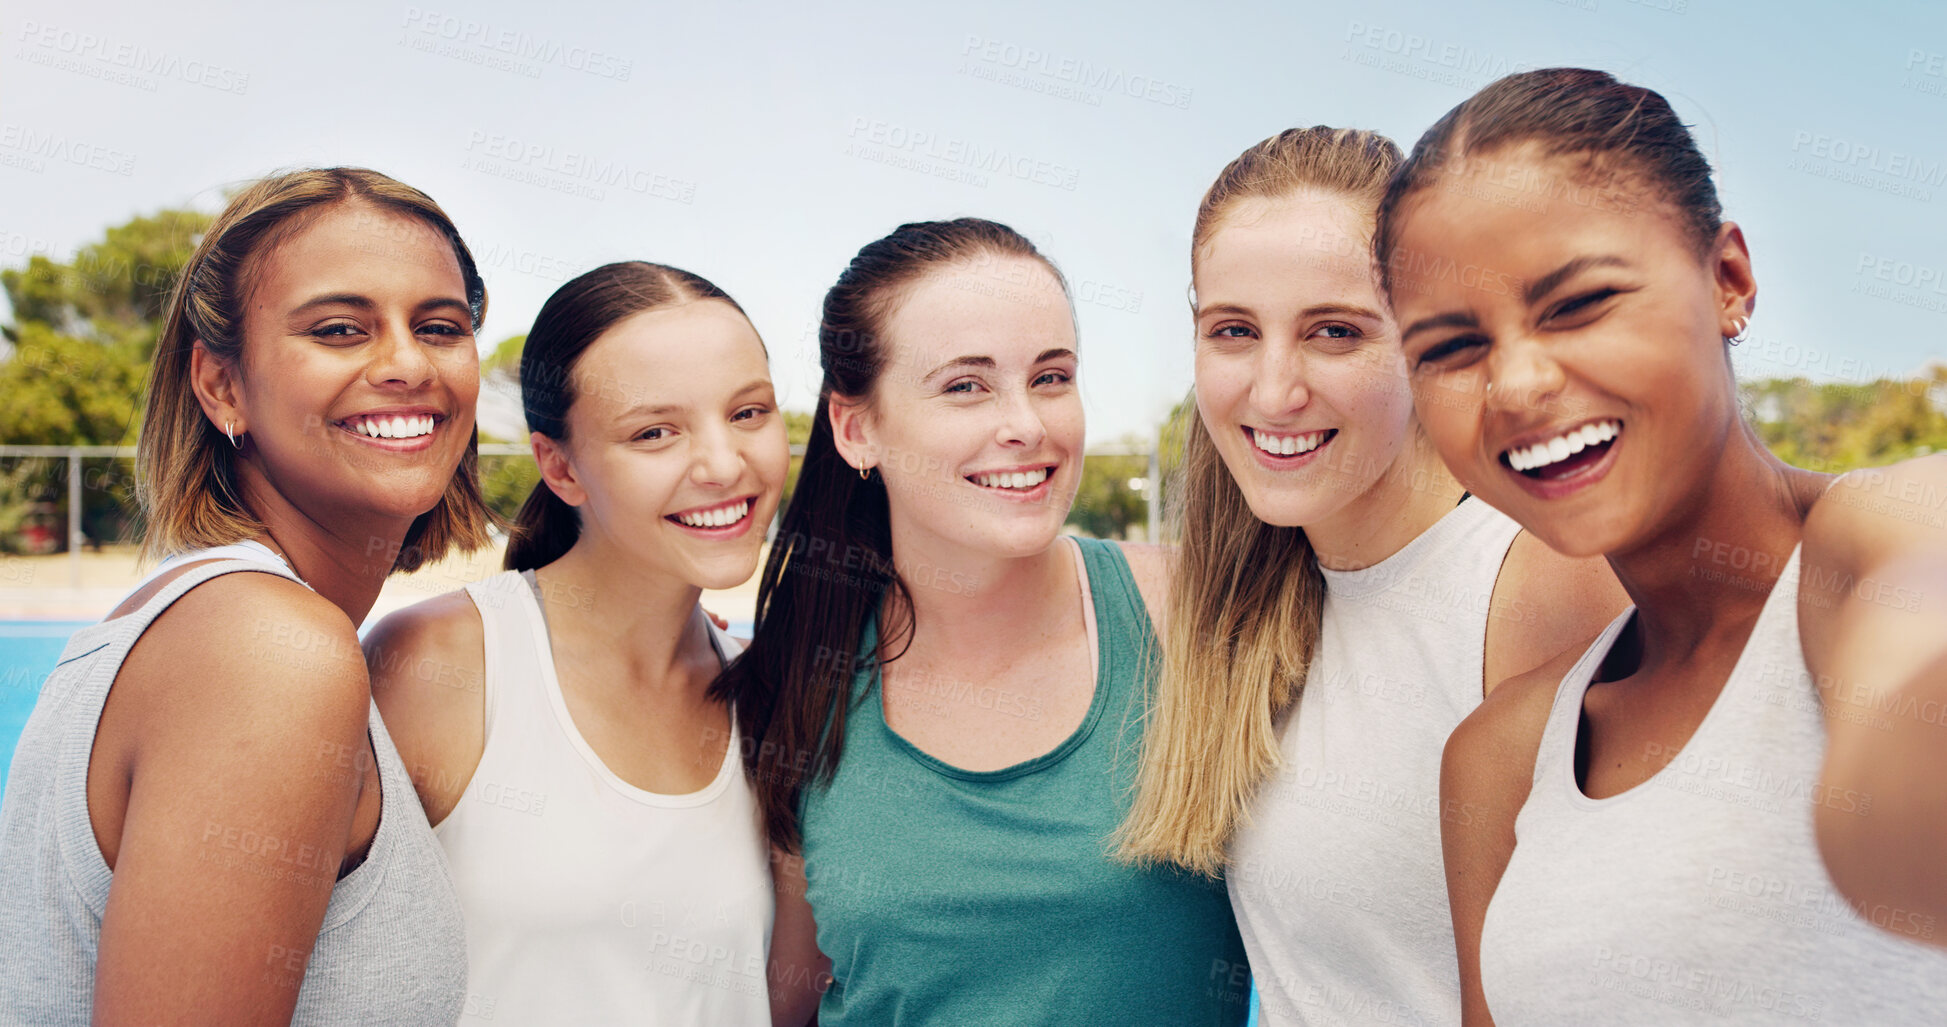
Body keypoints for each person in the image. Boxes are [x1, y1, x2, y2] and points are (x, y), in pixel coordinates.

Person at [1375, 67, 1947, 1023]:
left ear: (1727, 280)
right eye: (1449, 348)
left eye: (1576, 303)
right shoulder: (1499, 754)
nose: (1514, 384)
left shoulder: (1869, 542)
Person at [1112, 126, 1624, 1026]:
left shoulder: (1538, 584)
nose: (1273, 392)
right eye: (1233, 331)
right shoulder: (1238, 610)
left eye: (1334, 332)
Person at [716, 218, 1251, 1024]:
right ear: (855, 428)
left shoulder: (1191, 619)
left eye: (1050, 377)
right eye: (966, 385)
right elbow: (789, 991)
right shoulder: (800, 675)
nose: (1027, 425)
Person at [0, 167, 491, 1024]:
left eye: (440, 326)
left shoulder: (210, 623)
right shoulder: (269, 650)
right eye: (341, 329)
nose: (409, 363)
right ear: (222, 385)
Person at [365, 261, 821, 1025]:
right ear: (561, 466)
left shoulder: (772, 699)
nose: (723, 464)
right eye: (654, 432)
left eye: (748, 413)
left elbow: (781, 1004)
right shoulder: (437, 665)